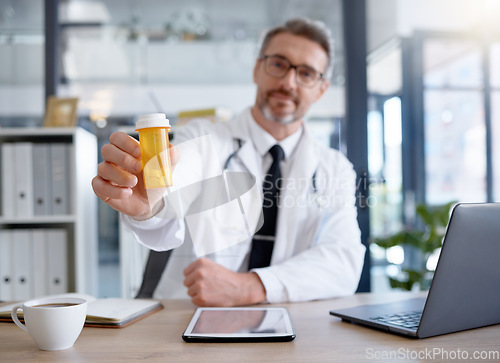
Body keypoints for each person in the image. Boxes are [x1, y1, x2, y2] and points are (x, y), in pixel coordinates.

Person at [92, 17, 366, 307]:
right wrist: (153, 203)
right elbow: (178, 176)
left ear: (321, 88)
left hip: (287, 325)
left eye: (307, 73)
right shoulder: (203, 138)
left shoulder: (335, 168)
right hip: (185, 319)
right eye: (278, 64)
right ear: (257, 69)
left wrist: (251, 287)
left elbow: (343, 260)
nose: (288, 82)